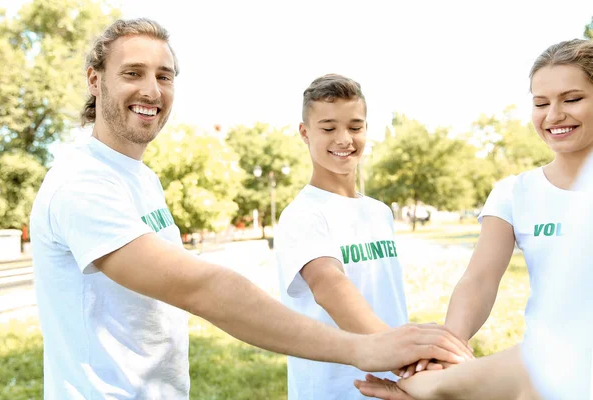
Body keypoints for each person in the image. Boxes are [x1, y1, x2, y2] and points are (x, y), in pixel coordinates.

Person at [29, 19, 472, 399]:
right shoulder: (81, 183)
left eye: (164, 76)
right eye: (133, 73)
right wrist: (367, 349)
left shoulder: (139, 178)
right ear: (95, 79)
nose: (152, 89)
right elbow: (201, 289)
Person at [353, 38, 593, 399]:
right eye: (541, 103)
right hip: (545, 376)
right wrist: (445, 353)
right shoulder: (515, 193)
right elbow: (479, 280)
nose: (553, 115)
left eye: (572, 99)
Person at [273, 74, 472, 400]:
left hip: (396, 383)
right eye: (328, 128)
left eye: (355, 127)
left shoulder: (379, 211)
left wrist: (406, 361)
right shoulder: (303, 214)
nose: (343, 139)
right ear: (304, 133)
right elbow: (329, 287)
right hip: (335, 389)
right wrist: (406, 355)